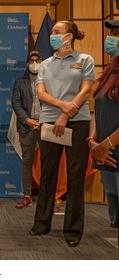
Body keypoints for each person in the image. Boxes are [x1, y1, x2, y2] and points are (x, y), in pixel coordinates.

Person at [29, 20, 95, 247]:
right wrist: (61, 106)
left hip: (78, 121)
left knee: (75, 174)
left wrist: (67, 113)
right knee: (48, 172)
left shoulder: (84, 60)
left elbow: (86, 89)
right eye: (53, 32)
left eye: (57, 32)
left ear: (69, 36)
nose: (52, 35)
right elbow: (41, 92)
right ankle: (41, 223)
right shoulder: (46, 64)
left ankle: (73, 230)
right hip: (49, 120)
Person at [88, 19, 119, 245]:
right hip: (105, 154)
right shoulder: (111, 69)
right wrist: (93, 142)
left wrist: (104, 145)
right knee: (115, 214)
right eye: (111, 33)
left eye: (117, 33)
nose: (111, 38)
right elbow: (96, 109)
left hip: (110, 151)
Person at [11, 50, 42, 209]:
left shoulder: (48, 81)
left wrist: (43, 121)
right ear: (27, 64)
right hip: (27, 126)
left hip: (46, 126)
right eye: (32, 61)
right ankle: (27, 195)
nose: (35, 64)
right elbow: (16, 103)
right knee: (27, 162)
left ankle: (47, 198)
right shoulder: (19, 82)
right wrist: (27, 120)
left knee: (48, 162)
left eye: (38, 60)